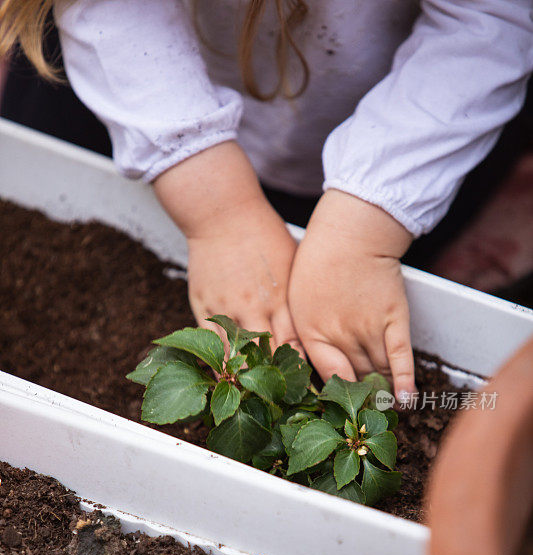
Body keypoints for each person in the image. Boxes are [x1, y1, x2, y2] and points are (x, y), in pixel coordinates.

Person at [1, 1, 532, 401]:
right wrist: (218, 210)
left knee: (356, 304)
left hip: (407, 131)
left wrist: (365, 226)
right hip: (134, 94)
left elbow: (491, 23)